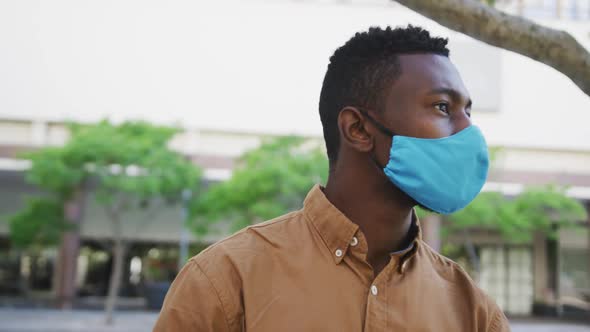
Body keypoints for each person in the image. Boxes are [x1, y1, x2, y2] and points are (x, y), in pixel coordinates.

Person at [153, 26, 510, 331]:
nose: (468, 131)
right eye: (443, 108)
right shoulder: (225, 283)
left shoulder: (475, 313)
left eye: (467, 111)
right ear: (357, 128)